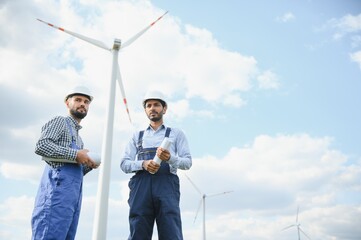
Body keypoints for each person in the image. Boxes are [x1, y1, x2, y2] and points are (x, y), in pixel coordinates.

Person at [120, 90, 192, 240]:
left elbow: (187, 162)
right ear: (145, 110)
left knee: (170, 230)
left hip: (166, 186)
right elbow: (124, 164)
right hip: (141, 187)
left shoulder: (176, 134)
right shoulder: (137, 136)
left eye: (157, 105)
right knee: (138, 230)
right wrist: (143, 164)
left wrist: (170, 158)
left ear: (164, 109)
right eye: (149, 105)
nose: (152, 108)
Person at [31, 85, 100, 240]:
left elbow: (75, 169)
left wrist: (88, 165)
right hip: (55, 198)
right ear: (67, 103)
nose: (83, 104)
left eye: (86, 101)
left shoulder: (79, 139)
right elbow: (41, 146)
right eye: (78, 100)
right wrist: (75, 154)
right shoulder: (60, 122)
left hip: (71, 201)